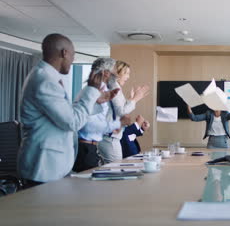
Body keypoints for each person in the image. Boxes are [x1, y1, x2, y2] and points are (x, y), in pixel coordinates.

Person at [17, 33, 117, 185]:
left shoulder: (46, 77)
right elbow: (73, 122)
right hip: (44, 166)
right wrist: (91, 91)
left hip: (50, 165)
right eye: (73, 55)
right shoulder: (45, 81)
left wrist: (95, 100)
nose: (73, 60)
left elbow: (66, 114)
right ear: (64, 53)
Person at [73, 58, 130, 172]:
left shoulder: (102, 91)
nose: (116, 78)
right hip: (85, 148)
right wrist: (116, 124)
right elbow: (88, 124)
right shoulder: (90, 92)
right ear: (106, 73)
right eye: (114, 74)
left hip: (93, 147)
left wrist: (113, 126)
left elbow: (97, 119)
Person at [99, 60, 149, 163]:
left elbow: (120, 111)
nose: (128, 77)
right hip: (110, 138)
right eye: (126, 73)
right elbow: (121, 111)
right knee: (115, 170)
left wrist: (131, 100)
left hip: (110, 137)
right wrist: (135, 98)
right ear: (117, 72)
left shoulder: (112, 86)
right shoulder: (114, 86)